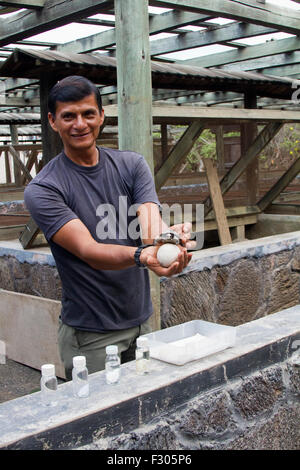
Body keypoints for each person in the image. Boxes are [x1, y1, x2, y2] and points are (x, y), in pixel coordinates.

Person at [24, 75, 193, 380]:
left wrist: (170, 239)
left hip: (141, 322)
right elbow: (90, 250)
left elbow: (151, 229)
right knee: (100, 422)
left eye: (88, 113)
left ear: (101, 115)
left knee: (143, 412)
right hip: (92, 335)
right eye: (69, 116)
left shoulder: (132, 165)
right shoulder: (45, 188)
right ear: (52, 121)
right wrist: (145, 256)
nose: (80, 124)